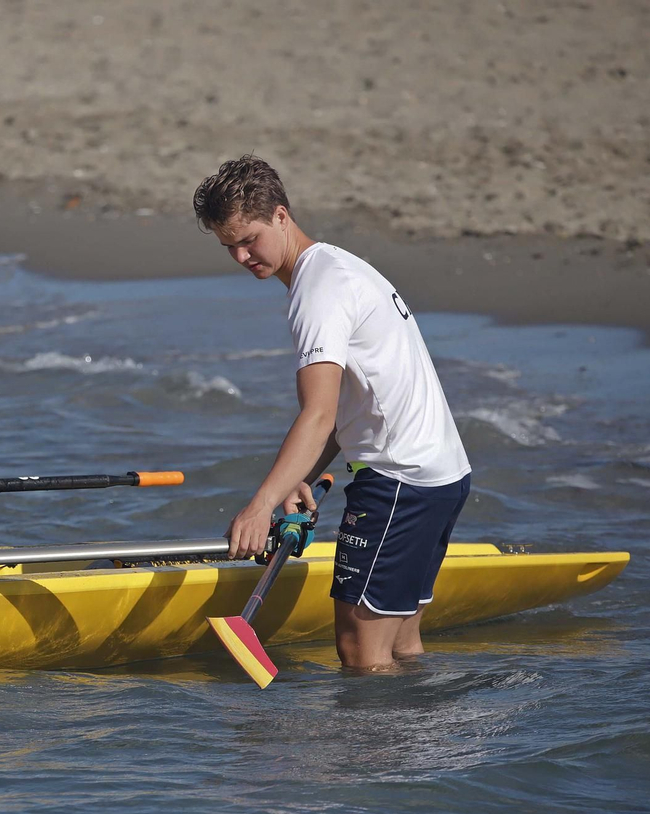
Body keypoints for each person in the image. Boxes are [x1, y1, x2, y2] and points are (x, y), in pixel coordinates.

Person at [192, 154, 472, 671]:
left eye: (249, 238)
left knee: (358, 654)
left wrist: (260, 507)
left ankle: (366, 754)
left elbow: (318, 415)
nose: (240, 256)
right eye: (228, 245)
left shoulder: (317, 292)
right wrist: (306, 472)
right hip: (443, 476)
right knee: (402, 644)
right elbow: (357, 400)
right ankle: (426, 750)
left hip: (398, 483)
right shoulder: (338, 266)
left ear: (281, 215)